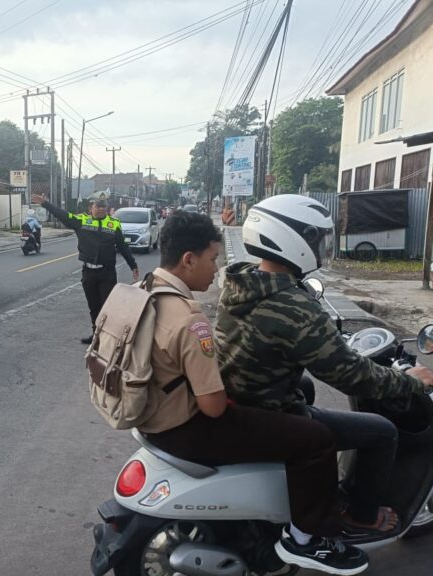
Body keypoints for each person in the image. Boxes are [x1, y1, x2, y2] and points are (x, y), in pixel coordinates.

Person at [138, 212, 368, 575]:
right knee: (316, 439)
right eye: (212, 258)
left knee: (301, 393)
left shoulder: (145, 290)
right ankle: (305, 540)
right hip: (185, 426)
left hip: (152, 414)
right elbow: (214, 407)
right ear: (189, 260)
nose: (216, 268)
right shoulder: (189, 319)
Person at [213, 194, 433, 539]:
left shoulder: (240, 280)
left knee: (306, 388)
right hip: (264, 411)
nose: (322, 248)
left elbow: (292, 339)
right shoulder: (295, 306)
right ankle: (361, 516)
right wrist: (411, 381)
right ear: (292, 239)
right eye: (318, 239)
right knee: (382, 431)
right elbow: (352, 377)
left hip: (240, 396)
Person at [32, 193, 138, 344]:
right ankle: (96, 336)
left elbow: (123, 246)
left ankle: (107, 338)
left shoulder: (114, 223)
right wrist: (45, 204)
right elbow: (63, 215)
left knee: (107, 307)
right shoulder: (81, 220)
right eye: (98, 206)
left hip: (107, 273)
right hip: (89, 272)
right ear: (91, 208)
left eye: (104, 207)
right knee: (93, 307)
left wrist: (133, 265)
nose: (101, 209)